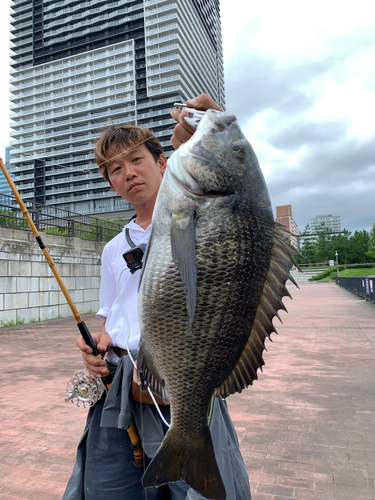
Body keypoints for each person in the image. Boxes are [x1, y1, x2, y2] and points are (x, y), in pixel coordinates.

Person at [62, 94, 252, 500]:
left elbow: (234, 204)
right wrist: (100, 341)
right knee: (105, 490)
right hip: (118, 391)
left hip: (181, 383)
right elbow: (114, 313)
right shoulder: (113, 248)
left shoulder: (199, 218)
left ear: (163, 162)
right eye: (115, 168)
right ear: (110, 182)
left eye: (136, 160)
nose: (127, 173)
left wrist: (201, 131)